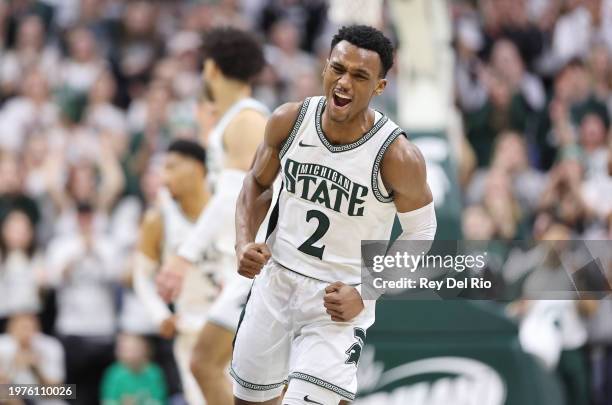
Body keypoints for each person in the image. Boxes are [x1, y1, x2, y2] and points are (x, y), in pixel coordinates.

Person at [232, 25, 436, 405]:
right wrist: (244, 240)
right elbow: (257, 183)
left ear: (379, 87)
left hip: (337, 302)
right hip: (274, 283)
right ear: (324, 67)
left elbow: (422, 230)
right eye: (338, 69)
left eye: (360, 76)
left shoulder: (397, 155)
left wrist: (367, 291)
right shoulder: (289, 120)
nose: (344, 82)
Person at [155, 27, 268, 405]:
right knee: (216, 368)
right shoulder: (232, 120)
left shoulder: (247, 121)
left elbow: (231, 200)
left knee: (209, 364)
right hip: (242, 265)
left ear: (212, 68)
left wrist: (183, 256)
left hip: (264, 264)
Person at [133, 139, 218, 405]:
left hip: (234, 329)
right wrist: (160, 315)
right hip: (191, 332)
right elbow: (141, 275)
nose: (163, 176)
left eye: (170, 167)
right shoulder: (157, 218)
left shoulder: (229, 206)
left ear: (196, 168)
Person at [100, 333, 167, 405]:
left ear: (145, 349)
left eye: (135, 349)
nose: (131, 354)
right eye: (126, 349)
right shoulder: (114, 373)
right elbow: (108, 400)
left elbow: (160, 400)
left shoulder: (154, 372)